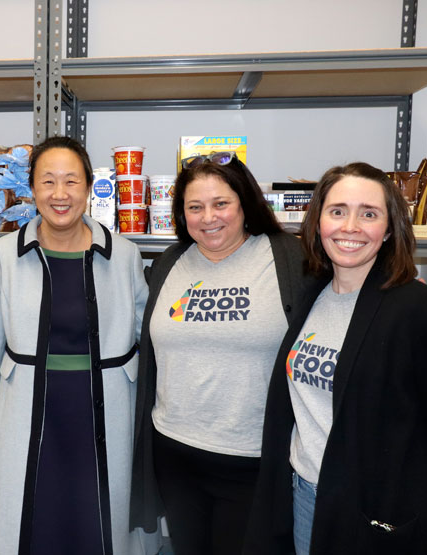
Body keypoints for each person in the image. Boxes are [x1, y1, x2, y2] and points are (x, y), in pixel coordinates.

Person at [243, 162, 427, 555]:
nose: (350, 226)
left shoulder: (422, 309)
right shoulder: (312, 292)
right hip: (304, 496)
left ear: (390, 228)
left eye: (369, 214)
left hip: (375, 516)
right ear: (318, 220)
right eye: (338, 211)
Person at [0, 136, 157, 555]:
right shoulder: (4, 254)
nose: (60, 194)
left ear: (90, 188)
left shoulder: (125, 255)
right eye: (48, 182)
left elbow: (149, 344)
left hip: (106, 414)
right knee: (34, 529)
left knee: (100, 529)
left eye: (72, 182)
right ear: (32, 189)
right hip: (30, 415)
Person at [130, 153, 313, 554]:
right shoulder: (168, 265)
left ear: (245, 204)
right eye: (195, 207)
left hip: (254, 461)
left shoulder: (289, 257)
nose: (208, 217)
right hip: (175, 455)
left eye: (221, 204)